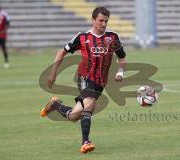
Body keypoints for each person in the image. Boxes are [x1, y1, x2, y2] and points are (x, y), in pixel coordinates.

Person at [40, 7, 126, 154]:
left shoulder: (112, 37)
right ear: (93, 20)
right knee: (90, 104)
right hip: (84, 77)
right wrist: (53, 73)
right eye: (100, 20)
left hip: (100, 82)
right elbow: (62, 51)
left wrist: (120, 72)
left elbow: (122, 57)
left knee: (74, 116)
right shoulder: (82, 37)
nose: (104, 24)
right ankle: (86, 142)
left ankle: (54, 104)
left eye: (106, 21)